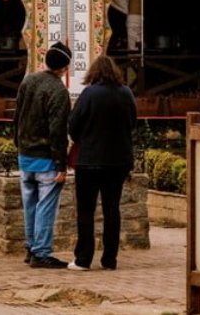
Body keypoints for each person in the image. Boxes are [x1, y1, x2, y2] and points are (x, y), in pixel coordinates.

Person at [67, 55, 137, 271]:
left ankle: (83, 259)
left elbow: (73, 124)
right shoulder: (126, 93)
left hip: (89, 160)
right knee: (112, 209)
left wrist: (83, 139)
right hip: (118, 160)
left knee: (86, 211)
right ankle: (110, 259)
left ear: (94, 72)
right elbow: (132, 123)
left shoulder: (89, 93)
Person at [13, 41, 72, 269]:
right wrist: (61, 164)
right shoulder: (58, 91)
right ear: (65, 67)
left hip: (25, 154)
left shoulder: (28, 81)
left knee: (30, 205)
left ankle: (31, 246)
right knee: (46, 206)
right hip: (46, 158)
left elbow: (17, 116)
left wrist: (18, 144)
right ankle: (41, 251)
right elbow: (57, 131)